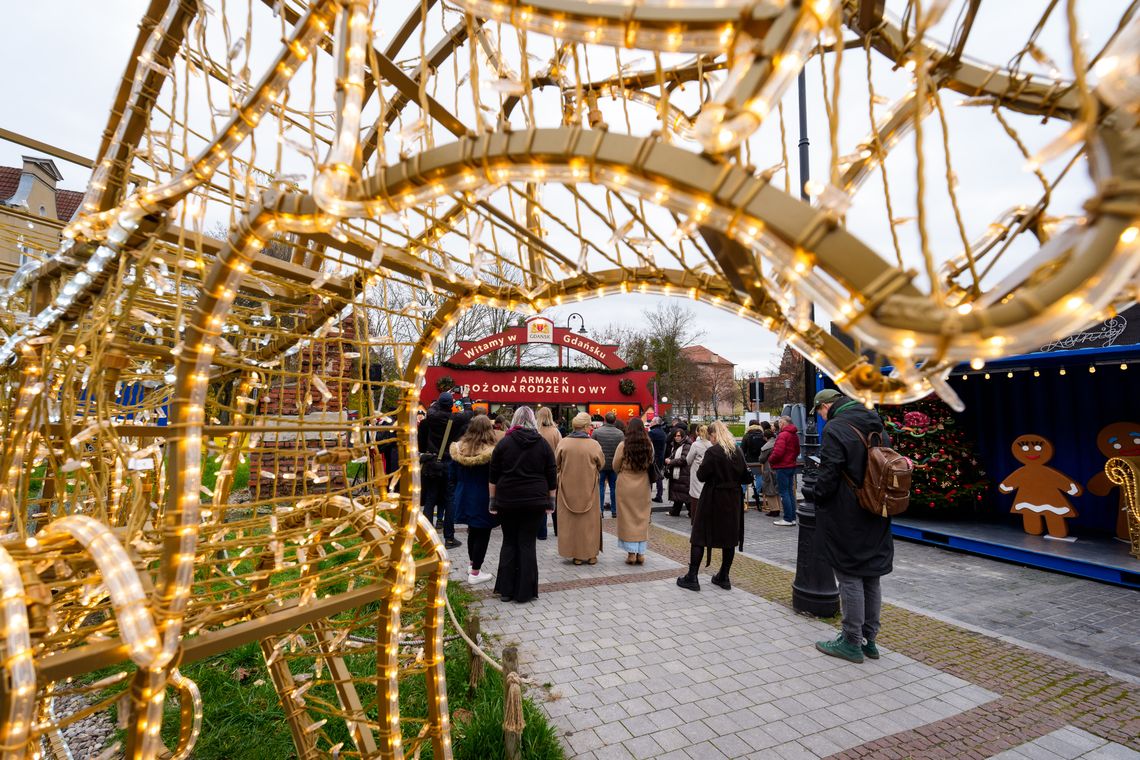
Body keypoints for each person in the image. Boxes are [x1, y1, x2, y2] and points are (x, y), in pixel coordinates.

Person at [810, 388, 893, 664]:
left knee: (849, 575)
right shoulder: (875, 422)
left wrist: (817, 495)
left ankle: (851, 640)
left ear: (826, 407)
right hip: (876, 508)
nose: (821, 418)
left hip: (847, 511)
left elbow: (830, 472)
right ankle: (871, 640)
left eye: (820, 413)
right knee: (871, 575)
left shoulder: (836, 428)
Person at [490, 407, 557, 604]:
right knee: (527, 544)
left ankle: (506, 590)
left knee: (509, 541)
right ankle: (525, 591)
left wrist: (492, 501)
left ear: (515, 420)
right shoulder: (542, 444)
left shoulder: (504, 444)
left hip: (507, 499)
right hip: (534, 500)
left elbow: (493, 475)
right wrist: (551, 501)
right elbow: (551, 474)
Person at [676, 421, 751, 591]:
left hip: (713, 497)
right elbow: (744, 475)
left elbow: (702, 476)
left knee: (699, 536)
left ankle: (692, 576)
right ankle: (724, 576)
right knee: (730, 538)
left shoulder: (713, 452)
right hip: (733, 499)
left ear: (713, 435)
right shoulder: (737, 451)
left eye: (710, 436)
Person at [450, 415, 499, 585]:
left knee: (472, 530)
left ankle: (472, 565)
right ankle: (476, 572)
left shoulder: (459, 449)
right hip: (482, 495)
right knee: (483, 533)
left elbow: (452, 476)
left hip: (463, 494)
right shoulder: (492, 453)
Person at [555, 412, 605, 565]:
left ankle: (575, 553)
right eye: (589, 425)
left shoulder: (564, 443)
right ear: (584, 427)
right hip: (589, 488)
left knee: (571, 522)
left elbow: (557, 463)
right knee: (590, 523)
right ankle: (590, 555)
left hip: (567, 489)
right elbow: (601, 464)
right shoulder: (593, 445)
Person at [418, 391, 464, 549]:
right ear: (451, 405)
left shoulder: (429, 419)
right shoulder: (456, 421)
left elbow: (421, 443)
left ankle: (427, 538)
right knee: (450, 500)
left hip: (432, 462)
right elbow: (469, 413)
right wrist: (465, 399)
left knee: (430, 500)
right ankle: (449, 538)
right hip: (448, 463)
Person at [613, 417, 653, 564]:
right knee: (641, 518)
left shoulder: (623, 445)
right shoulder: (648, 445)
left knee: (627, 519)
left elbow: (615, 465)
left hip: (626, 484)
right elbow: (651, 463)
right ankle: (641, 553)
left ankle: (631, 553)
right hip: (643, 484)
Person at [535, 407, 563, 540]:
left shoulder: (536, 432)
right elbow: (561, 450)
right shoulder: (556, 432)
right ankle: (558, 529)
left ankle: (542, 533)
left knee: (541, 502)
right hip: (554, 469)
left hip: (538, 471)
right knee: (554, 500)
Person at [770, 414, 801, 527]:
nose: (778, 425)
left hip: (782, 467)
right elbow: (797, 451)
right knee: (790, 493)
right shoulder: (794, 435)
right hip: (791, 466)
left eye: (779, 423)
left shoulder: (783, 435)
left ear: (783, 423)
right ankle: (792, 517)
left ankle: (788, 518)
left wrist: (771, 460)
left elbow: (778, 452)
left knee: (784, 493)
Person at [593, 412, 624, 517]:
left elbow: (592, 448)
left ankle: (600, 511)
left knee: (600, 487)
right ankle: (614, 511)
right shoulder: (620, 434)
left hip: (601, 465)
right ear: (614, 421)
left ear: (604, 420)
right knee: (614, 488)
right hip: (614, 465)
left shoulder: (597, 432)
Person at [665, 427, 693, 517]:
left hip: (684, 473)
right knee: (679, 493)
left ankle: (691, 512)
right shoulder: (675, 445)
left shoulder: (687, 445)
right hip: (678, 473)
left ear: (683, 436)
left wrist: (671, 461)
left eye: (679, 436)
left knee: (684, 493)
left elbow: (684, 459)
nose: (677, 437)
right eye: (675, 436)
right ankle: (676, 511)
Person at [740, 420, 767, 509]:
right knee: (759, 477)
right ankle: (757, 493)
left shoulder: (747, 435)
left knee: (744, 477)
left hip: (749, 461)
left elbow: (742, 449)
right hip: (760, 460)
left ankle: (743, 494)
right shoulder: (763, 436)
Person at [686, 424, 712, 506]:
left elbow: (688, 460)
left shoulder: (695, 445)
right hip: (708, 471)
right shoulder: (712, 444)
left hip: (696, 471)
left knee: (696, 495)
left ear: (698, 433)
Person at [758, 427, 780, 516]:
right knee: (777, 489)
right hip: (778, 468)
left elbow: (761, 459)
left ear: (765, 437)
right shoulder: (777, 442)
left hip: (769, 469)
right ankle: (779, 507)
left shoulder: (766, 446)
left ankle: (774, 509)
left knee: (769, 489)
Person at [648, 416, 667, 503]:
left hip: (653, 458)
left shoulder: (652, 433)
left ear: (656, 422)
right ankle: (659, 495)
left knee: (650, 476)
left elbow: (648, 446)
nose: (650, 422)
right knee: (659, 476)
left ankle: (648, 495)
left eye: (651, 421)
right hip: (661, 457)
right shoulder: (663, 432)